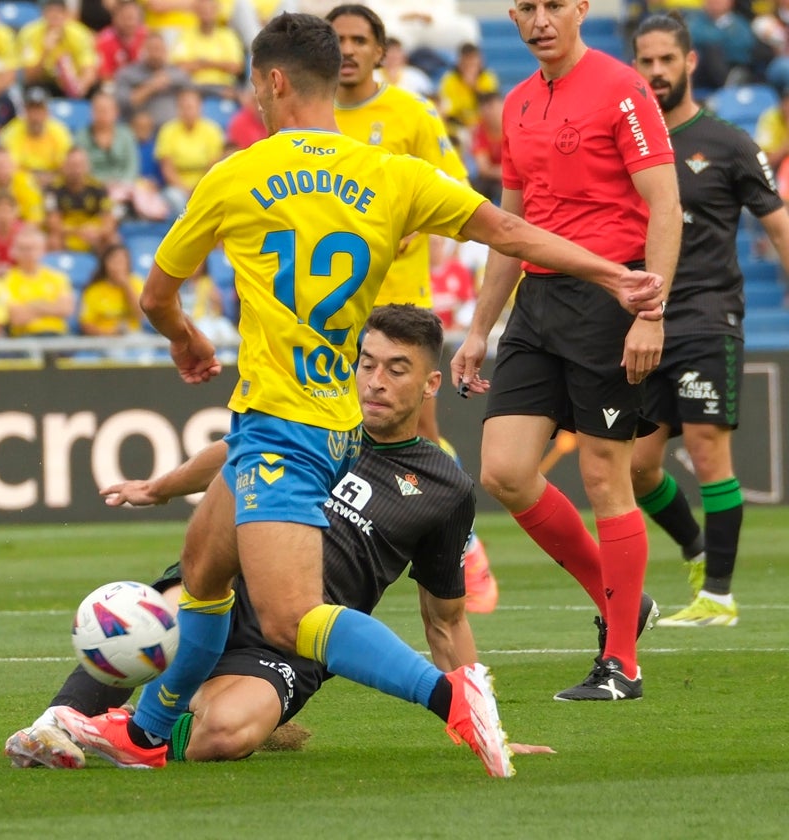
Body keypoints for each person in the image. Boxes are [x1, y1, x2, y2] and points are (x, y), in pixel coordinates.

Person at [53, 12, 665, 770]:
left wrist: (187, 338)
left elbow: (154, 296)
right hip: (312, 421)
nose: (254, 95)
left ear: (274, 82)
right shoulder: (392, 174)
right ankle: (146, 733)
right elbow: (510, 231)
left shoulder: (235, 175)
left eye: (254, 85)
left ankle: (453, 701)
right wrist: (612, 272)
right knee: (205, 572)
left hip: (286, 423)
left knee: (291, 617)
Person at [9, 306, 547, 771]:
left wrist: (488, 726)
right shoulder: (318, 417)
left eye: (397, 369)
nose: (375, 381)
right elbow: (231, 450)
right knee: (148, 620)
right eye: (367, 363)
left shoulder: (445, 486)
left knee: (227, 733)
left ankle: (138, 726)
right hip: (231, 588)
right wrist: (161, 488)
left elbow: (446, 620)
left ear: (431, 385)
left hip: (298, 640)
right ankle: (56, 726)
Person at [450, 0, 682, 701]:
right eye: (524, 8)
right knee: (505, 471)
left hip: (610, 304)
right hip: (538, 306)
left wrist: (651, 312)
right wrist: (478, 329)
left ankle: (623, 666)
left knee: (606, 478)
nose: (538, 20)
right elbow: (510, 230)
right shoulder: (517, 104)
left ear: (581, 8)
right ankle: (622, 605)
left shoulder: (622, 88)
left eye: (553, 5)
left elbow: (666, 208)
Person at [327, 4, 497, 610]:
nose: (346, 50)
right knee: (329, 426)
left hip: (400, 302)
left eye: (357, 40)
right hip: (332, 310)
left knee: (419, 430)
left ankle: (463, 539)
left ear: (381, 51)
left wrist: (405, 218)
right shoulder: (310, 118)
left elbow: (457, 195)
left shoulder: (410, 112)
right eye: (336, 39)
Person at [631, 15, 789, 628]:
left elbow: (776, 224)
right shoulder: (627, 141)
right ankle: (697, 551)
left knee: (706, 448)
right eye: (646, 61)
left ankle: (718, 597)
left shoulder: (726, 142)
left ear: (690, 62)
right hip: (646, 320)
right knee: (638, 467)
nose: (657, 72)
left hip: (707, 316)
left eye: (667, 59)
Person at [17, 0, 100, 99]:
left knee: (95, 88)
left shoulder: (80, 34)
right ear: (43, 14)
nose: (55, 18)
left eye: (59, 14)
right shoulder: (30, 33)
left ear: (66, 15)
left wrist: (81, 86)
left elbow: (89, 69)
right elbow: (29, 77)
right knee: (32, 89)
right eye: (51, 13)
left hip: (73, 79)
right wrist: (45, 51)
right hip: (45, 81)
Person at [3, 225, 74, 337]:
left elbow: (66, 309)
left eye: (31, 248)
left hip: (58, 336)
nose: (27, 253)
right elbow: (16, 318)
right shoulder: (7, 279)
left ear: (42, 250)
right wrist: (49, 307)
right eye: (22, 248)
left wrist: (31, 306)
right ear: (14, 251)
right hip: (23, 337)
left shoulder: (58, 277)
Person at [0, 87, 74, 189]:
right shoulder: (11, 131)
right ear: (25, 111)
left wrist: (50, 178)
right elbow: (7, 168)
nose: (35, 117)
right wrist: (32, 179)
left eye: (39, 110)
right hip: (21, 185)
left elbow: (67, 165)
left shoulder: (59, 131)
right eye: (31, 110)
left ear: (47, 112)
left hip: (54, 184)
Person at [44, 147, 116, 254]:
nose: (76, 170)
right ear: (64, 167)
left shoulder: (99, 188)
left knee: (113, 239)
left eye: (80, 165)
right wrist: (78, 231)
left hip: (92, 234)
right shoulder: (53, 189)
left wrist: (99, 232)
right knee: (53, 240)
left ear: (88, 167)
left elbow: (109, 220)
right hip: (67, 234)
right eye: (72, 165)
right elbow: (53, 224)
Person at [77, 243, 144, 336]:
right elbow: (86, 324)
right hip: (103, 339)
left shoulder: (136, 282)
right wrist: (110, 333)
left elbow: (140, 314)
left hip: (133, 336)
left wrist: (126, 285)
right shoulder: (94, 290)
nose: (119, 266)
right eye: (115, 261)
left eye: (122, 261)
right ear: (105, 263)